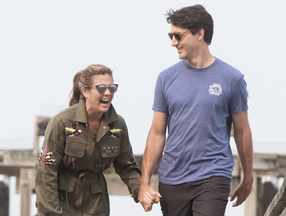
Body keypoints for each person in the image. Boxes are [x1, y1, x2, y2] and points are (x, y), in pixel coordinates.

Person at [138, 4, 253, 216]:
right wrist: (144, 182)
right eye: (170, 36)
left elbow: (242, 131)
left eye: (179, 36)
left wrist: (248, 177)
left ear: (200, 33)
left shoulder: (232, 78)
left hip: (213, 175)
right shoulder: (165, 79)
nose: (173, 43)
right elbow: (156, 133)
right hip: (172, 180)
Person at [35, 64, 153, 216]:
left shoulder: (118, 126)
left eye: (112, 88)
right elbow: (46, 170)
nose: (108, 93)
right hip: (61, 204)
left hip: (96, 206)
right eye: (102, 88)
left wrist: (142, 192)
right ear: (85, 91)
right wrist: (52, 212)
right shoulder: (62, 122)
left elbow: (126, 167)